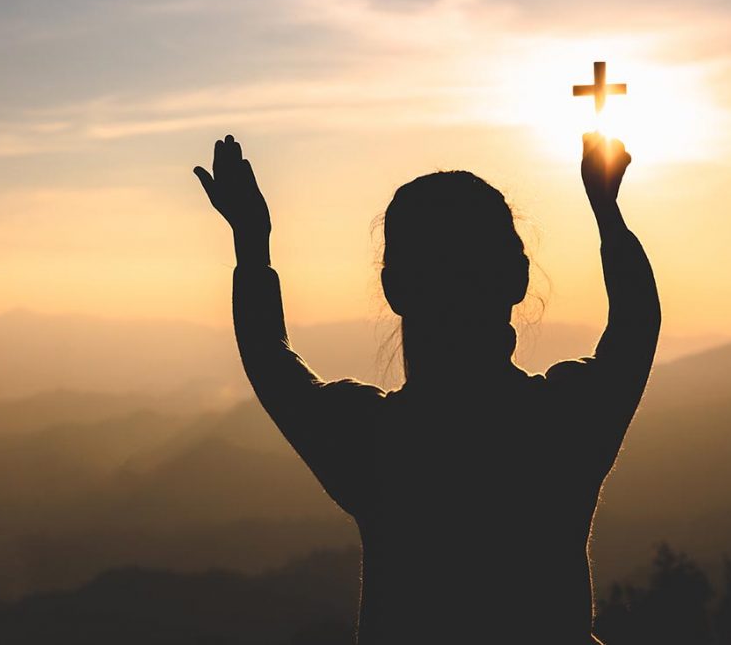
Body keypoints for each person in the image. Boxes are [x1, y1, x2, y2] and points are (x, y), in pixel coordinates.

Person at [194, 132, 660, 644]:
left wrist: (253, 245)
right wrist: (606, 211)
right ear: (518, 278)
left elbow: (270, 359)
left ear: (394, 289)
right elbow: (636, 323)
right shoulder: (565, 425)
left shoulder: (374, 442)